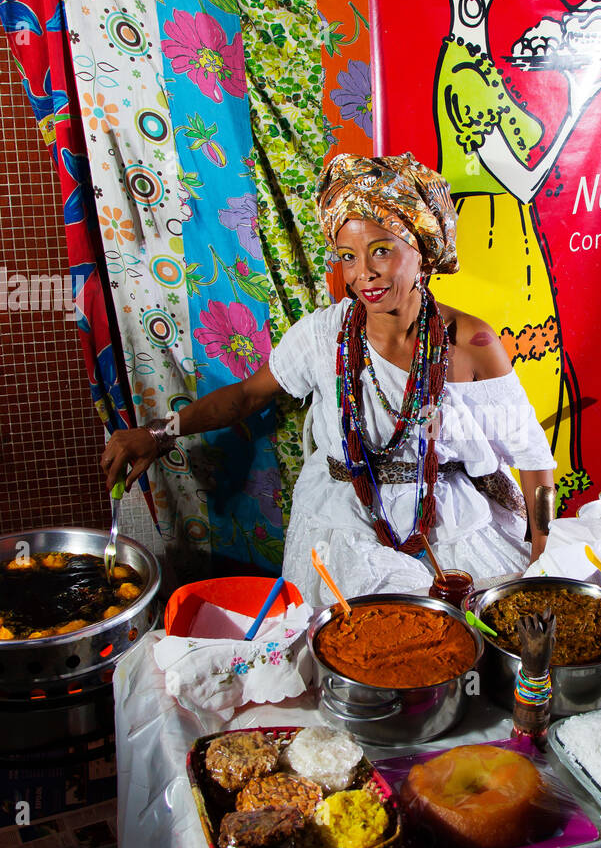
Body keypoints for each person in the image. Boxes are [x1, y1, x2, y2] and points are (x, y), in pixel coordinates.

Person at [101, 152, 557, 608]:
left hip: (453, 525)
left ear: (421, 248)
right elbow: (245, 396)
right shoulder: (324, 337)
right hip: (343, 522)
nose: (364, 274)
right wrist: (160, 433)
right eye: (347, 257)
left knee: (474, 642)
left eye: (381, 249)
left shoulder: (473, 342)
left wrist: (543, 565)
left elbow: (534, 460)